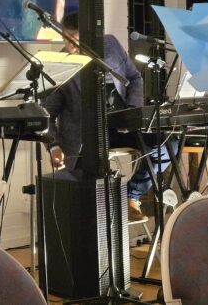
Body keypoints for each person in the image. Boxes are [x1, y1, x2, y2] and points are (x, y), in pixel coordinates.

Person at [44, 13, 175, 221]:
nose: (71, 47)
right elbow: (47, 113)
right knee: (82, 196)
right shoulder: (61, 64)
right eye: (66, 40)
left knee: (169, 145)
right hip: (84, 137)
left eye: (76, 40)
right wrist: (54, 145)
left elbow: (134, 78)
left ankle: (131, 195)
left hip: (122, 126)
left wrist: (133, 111)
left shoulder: (111, 44)